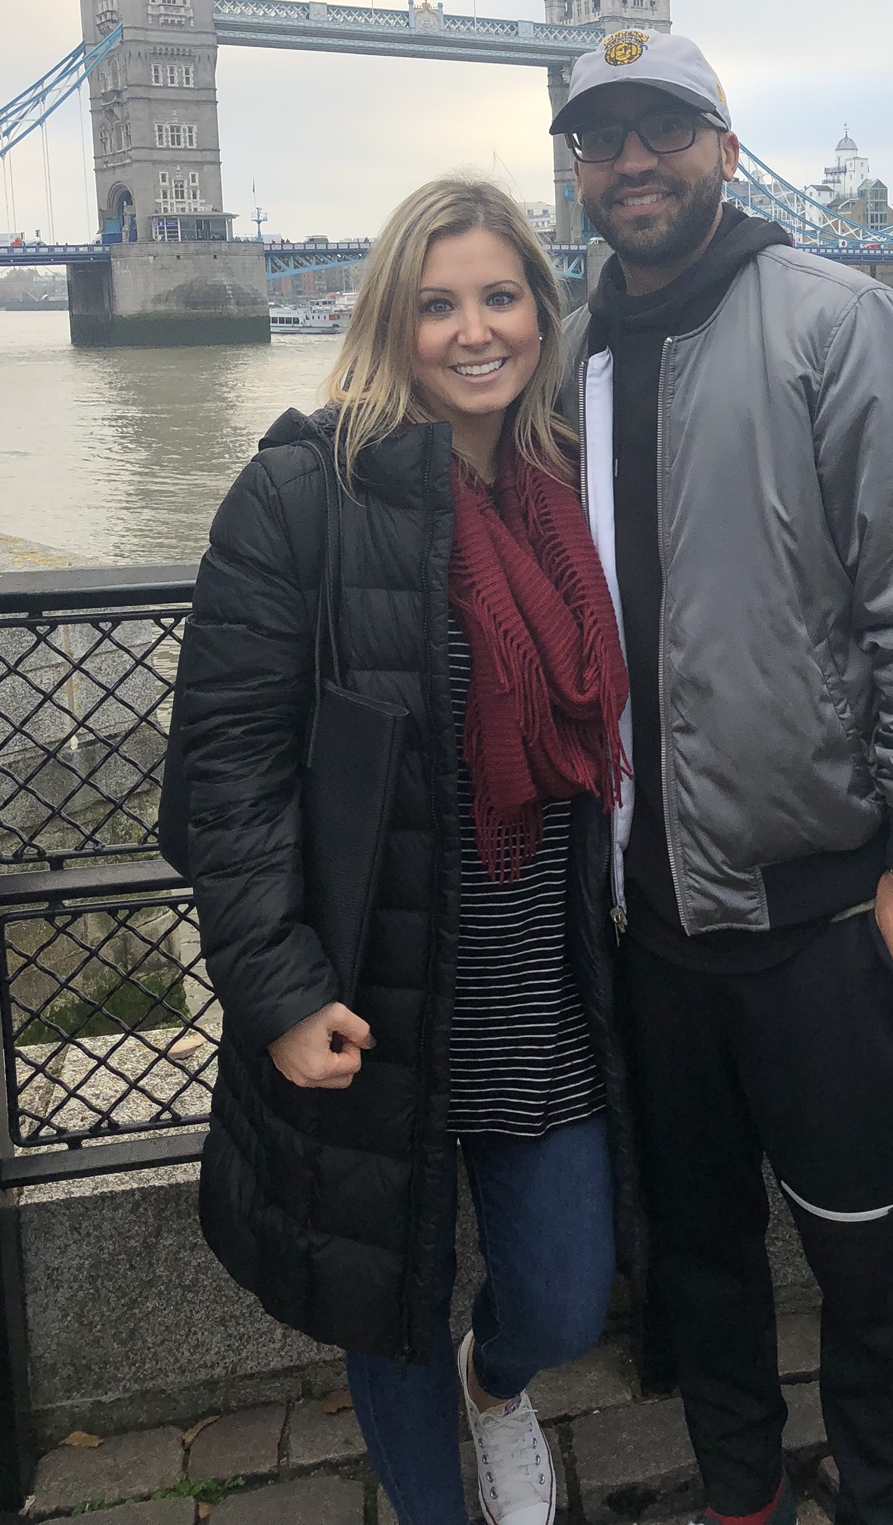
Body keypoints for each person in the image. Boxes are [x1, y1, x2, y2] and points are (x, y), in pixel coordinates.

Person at [551, 33, 893, 1525]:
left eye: (665, 130)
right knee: (702, 1262)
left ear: (727, 151)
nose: (634, 162)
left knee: (873, 1268)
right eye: (602, 137)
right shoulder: (567, 353)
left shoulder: (839, 324)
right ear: (576, 167)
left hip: (827, 915)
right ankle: (740, 1502)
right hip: (651, 929)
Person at [174, 179, 634, 1525]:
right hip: (372, 989)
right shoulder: (297, 494)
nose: (474, 332)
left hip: (542, 982)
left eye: (501, 297)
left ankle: (501, 1385)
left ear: (542, 313)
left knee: (565, 1292)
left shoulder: (579, 486)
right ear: (390, 320)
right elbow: (227, 774)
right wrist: (279, 993)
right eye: (438, 305)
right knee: (388, 1305)